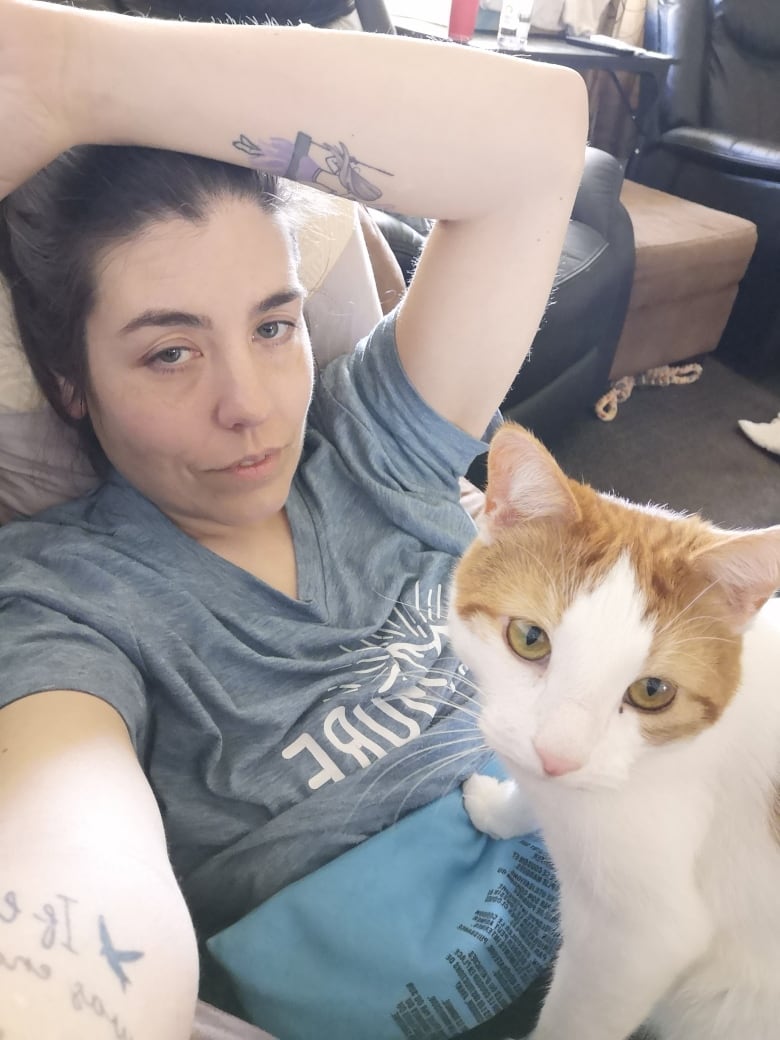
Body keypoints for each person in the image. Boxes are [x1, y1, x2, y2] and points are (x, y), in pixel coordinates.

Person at [0, 1, 588, 1037]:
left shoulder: (373, 449)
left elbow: (539, 137)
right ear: (72, 383)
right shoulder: (59, 599)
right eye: (169, 351)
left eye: (274, 325)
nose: (253, 403)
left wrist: (60, 72)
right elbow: (73, 864)